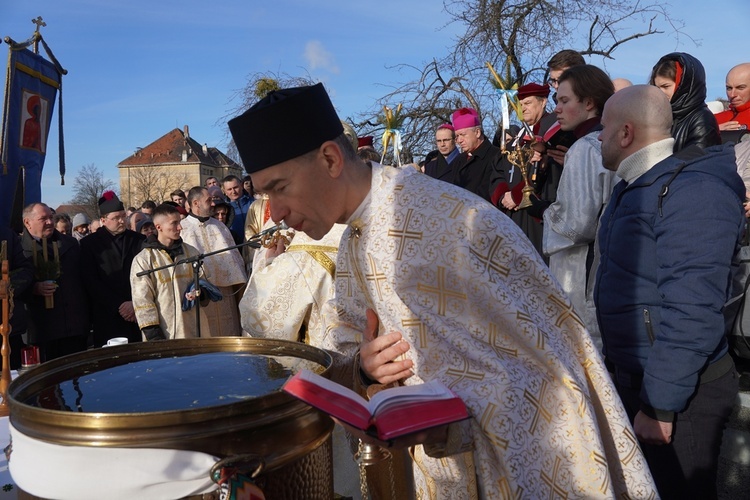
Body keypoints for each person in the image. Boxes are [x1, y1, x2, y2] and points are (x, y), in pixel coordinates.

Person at [228, 82, 657, 498]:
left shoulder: (457, 222)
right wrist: (363, 369)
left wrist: (443, 417)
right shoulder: (353, 237)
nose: (275, 213)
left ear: (329, 159)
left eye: (278, 189)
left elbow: (548, 382)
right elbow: (348, 343)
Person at [595, 84, 743, 499]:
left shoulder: (692, 190)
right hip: (642, 379)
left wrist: (660, 404)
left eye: (604, 127)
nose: (598, 136)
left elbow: (693, 308)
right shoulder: (634, 184)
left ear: (626, 133)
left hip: (681, 397)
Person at [543, 64, 617, 343]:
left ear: (589, 103)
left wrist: (542, 210)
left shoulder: (585, 147)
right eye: (556, 101)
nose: (557, 109)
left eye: (564, 101)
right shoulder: (608, 142)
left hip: (582, 269)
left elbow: (577, 226)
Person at [491, 82, 556, 258]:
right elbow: (497, 172)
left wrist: (517, 195)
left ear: (543, 102)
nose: (523, 108)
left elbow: (549, 172)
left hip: (537, 217)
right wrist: (503, 195)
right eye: (520, 104)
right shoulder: (515, 141)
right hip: (512, 216)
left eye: (528, 103)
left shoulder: (552, 133)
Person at [20, 203, 89, 362]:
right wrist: (33, 288)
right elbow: (12, 286)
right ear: (27, 222)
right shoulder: (19, 249)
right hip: (39, 332)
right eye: (43, 219)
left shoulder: (70, 244)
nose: (50, 222)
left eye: (51, 217)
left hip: (73, 328)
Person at [130, 204, 209, 341]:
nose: (180, 227)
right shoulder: (143, 260)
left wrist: (200, 291)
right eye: (174, 223)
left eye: (180, 222)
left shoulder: (191, 252)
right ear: (158, 227)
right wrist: (154, 336)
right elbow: (142, 300)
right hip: (164, 331)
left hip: (194, 327)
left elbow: (203, 281)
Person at [80, 191, 146, 346]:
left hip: (137, 310)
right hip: (107, 314)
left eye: (123, 216)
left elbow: (145, 276)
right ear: (103, 220)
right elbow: (91, 281)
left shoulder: (139, 240)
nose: (122, 221)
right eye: (116, 218)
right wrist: (119, 305)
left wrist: (134, 303)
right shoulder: (90, 244)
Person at [180, 186, 246, 337]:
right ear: (196, 203)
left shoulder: (220, 226)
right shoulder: (183, 228)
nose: (213, 204)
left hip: (226, 292)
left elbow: (235, 258)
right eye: (208, 200)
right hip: (201, 292)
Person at [649, 52, 721, 151]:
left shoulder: (702, 120)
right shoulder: (659, 117)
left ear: (683, 86)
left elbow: (698, 162)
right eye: (657, 87)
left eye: (666, 86)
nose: (660, 92)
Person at [450, 107, 504, 203]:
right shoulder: (458, 160)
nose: (459, 140)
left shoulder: (496, 155)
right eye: (457, 136)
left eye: (463, 134)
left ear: (477, 132)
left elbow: (489, 191)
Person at [0, 225, 34, 369]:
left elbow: (25, 269)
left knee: (11, 380)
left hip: (8, 325)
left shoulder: (7, 234)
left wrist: (7, 287)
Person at [716, 62, 750, 132]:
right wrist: (713, 132)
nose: (732, 95)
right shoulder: (712, 120)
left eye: (740, 88)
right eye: (729, 88)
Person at [222, 174, 252, 245]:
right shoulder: (224, 210)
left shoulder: (254, 203)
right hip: (235, 247)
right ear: (225, 191)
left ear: (241, 186)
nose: (233, 191)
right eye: (229, 189)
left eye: (235, 187)